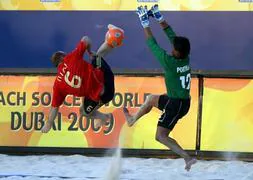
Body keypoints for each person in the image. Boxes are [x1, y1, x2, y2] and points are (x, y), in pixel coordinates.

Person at [123, 5, 196, 171]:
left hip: (176, 104)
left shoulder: (170, 62)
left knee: (160, 136)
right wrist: (158, 17)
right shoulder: (185, 57)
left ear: (177, 53)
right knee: (150, 99)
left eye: (174, 49)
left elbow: (152, 44)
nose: (171, 49)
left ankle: (187, 158)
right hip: (177, 99)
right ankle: (132, 120)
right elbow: (172, 36)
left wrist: (145, 23)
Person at [41, 24, 124, 133]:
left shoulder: (58, 85)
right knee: (97, 56)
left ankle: (104, 117)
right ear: (62, 57)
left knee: (84, 112)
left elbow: (54, 108)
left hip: (105, 94)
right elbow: (86, 39)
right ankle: (115, 35)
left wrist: (48, 124)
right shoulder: (70, 57)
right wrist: (89, 52)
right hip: (105, 76)